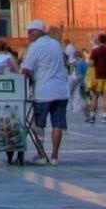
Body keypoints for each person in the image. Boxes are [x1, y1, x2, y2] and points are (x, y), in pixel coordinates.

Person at [19, 22, 70, 163]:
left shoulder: (35, 47)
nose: (28, 35)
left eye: (30, 32)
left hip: (43, 92)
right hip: (61, 90)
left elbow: (26, 70)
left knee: (38, 125)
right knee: (58, 124)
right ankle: (54, 156)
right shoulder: (56, 44)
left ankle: (41, 154)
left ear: (37, 32)